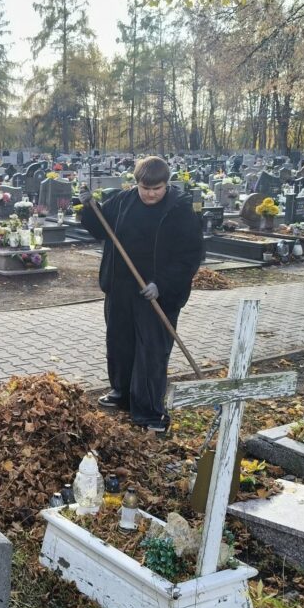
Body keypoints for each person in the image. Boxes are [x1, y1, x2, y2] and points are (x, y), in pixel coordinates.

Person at [78, 156, 203, 432]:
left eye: (156, 189)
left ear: (166, 184)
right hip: (121, 287)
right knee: (120, 343)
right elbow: (100, 228)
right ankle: (122, 392)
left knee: (151, 351)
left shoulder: (179, 210)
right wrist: (89, 207)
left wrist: (162, 284)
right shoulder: (124, 201)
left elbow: (190, 255)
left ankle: (149, 411)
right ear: (137, 184)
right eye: (145, 188)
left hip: (156, 294)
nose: (150, 194)